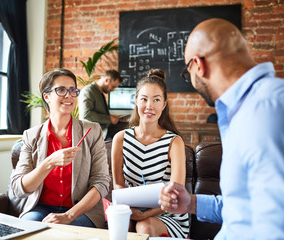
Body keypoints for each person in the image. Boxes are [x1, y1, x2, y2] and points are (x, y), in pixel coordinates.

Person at [158, 18, 284, 239]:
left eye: (187, 73)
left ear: (199, 65)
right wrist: (191, 203)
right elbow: (246, 207)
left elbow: (275, 224)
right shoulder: (249, 109)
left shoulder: (264, 109)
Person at [10, 68, 110, 228]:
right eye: (61, 90)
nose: (69, 95)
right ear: (47, 96)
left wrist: (68, 215)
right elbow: (18, 189)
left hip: (82, 211)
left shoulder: (92, 131)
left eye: (73, 90)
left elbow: (101, 183)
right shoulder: (31, 136)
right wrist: (49, 163)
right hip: (41, 208)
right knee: (26, 230)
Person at [111, 69, 189, 238]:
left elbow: (177, 194)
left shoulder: (174, 142)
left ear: (164, 104)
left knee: (144, 227)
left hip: (168, 214)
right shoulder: (120, 139)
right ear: (136, 101)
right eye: (144, 99)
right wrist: (131, 212)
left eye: (156, 100)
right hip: (131, 210)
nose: (149, 106)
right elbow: (118, 186)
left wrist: (144, 215)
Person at [78, 69, 123, 140]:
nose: (113, 90)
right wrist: (109, 119)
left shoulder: (99, 93)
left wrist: (112, 118)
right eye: (113, 86)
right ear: (107, 80)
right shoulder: (88, 91)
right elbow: (86, 115)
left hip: (102, 131)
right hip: (94, 134)